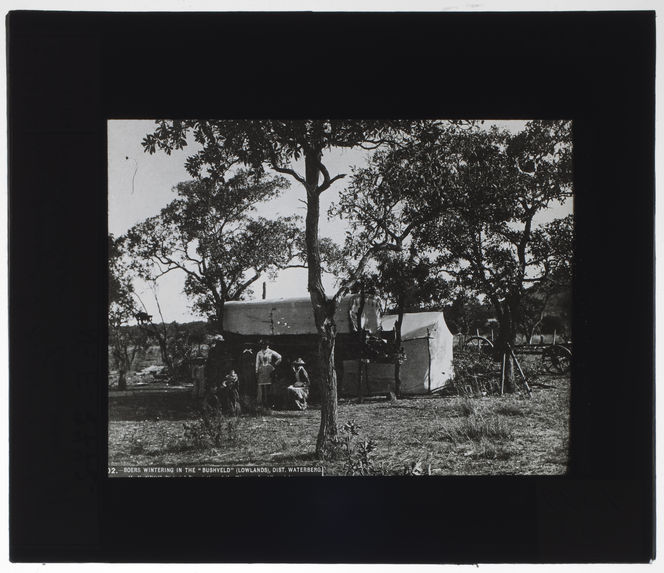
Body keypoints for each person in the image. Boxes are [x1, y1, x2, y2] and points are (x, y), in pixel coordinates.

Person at [255, 339, 281, 411]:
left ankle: (269, 404)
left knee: (269, 388)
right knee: (262, 388)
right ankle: (263, 404)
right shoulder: (259, 353)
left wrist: (274, 365)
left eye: (266, 344)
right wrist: (256, 371)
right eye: (263, 344)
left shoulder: (271, 352)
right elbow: (257, 363)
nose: (264, 345)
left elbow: (280, 357)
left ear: (268, 345)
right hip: (262, 370)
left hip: (269, 370)